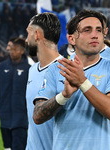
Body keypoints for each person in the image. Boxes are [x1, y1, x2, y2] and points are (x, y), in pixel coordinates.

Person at [32, 10, 110, 150]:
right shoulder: (56, 69)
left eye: (99, 30)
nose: (95, 35)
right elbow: (37, 116)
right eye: (87, 30)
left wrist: (82, 82)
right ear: (71, 39)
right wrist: (63, 96)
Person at [25, 12, 63, 150]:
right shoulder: (33, 70)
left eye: (28, 33)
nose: (25, 40)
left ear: (37, 35)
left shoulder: (66, 70)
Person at [0, 38, 30, 150]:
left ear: (22, 51)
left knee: (19, 146)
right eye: (11, 49)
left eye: (15, 49)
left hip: (21, 117)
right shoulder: (2, 67)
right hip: (5, 115)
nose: (12, 52)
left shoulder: (29, 69)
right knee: (7, 147)